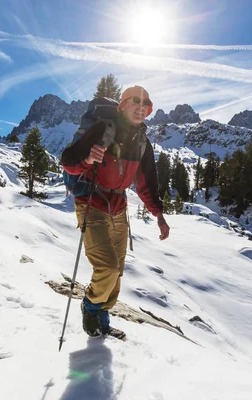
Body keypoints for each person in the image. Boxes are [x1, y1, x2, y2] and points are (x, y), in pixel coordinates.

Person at [61, 85, 170, 340]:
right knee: (108, 267)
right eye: (136, 101)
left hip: (119, 207)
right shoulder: (102, 129)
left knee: (118, 269)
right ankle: (90, 306)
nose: (142, 107)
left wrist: (159, 215)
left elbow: (146, 183)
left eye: (146, 104)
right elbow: (67, 160)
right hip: (91, 202)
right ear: (122, 105)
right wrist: (88, 159)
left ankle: (103, 320)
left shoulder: (142, 141)